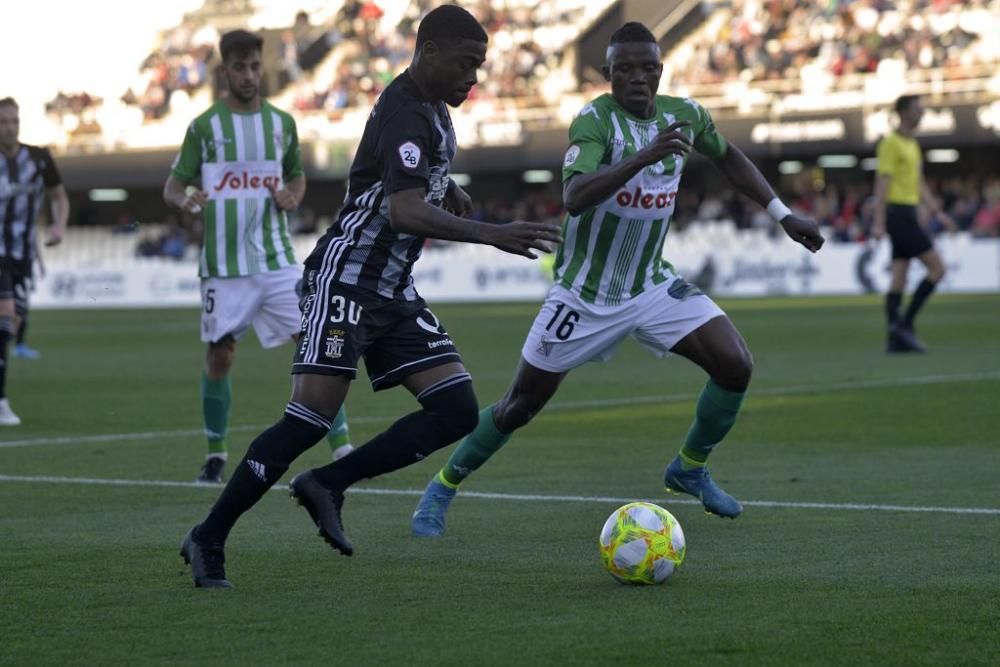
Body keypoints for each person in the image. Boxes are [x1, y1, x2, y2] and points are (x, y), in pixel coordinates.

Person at [179, 5, 562, 588]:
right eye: (466, 64)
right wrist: (493, 234)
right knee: (308, 420)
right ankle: (208, 537)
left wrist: (448, 188)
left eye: (479, 67)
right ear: (428, 51)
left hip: (391, 287)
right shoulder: (406, 109)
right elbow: (404, 209)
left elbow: (408, 179)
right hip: (347, 278)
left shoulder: (431, 109)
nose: (474, 78)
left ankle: (328, 483)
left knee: (457, 408)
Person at [410, 22, 825, 536]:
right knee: (520, 405)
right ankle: (442, 487)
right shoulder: (594, 123)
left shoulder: (686, 115)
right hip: (583, 295)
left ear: (660, 71)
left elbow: (728, 156)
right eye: (624, 69)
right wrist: (643, 156)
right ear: (607, 74)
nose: (636, 78)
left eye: (647, 68)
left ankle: (690, 467)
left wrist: (784, 214)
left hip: (651, 285)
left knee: (735, 364)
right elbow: (575, 195)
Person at [163, 30, 354, 484]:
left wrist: (292, 195)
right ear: (224, 70)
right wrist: (185, 198)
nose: (248, 76)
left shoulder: (280, 124)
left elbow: (297, 177)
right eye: (239, 67)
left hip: (276, 260)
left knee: (313, 346)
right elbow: (173, 185)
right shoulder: (205, 127)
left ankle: (343, 445)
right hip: (224, 267)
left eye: (254, 67)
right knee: (221, 356)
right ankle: (215, 453)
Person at [0, 97, 69, 425]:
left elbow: (59, 195)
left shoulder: (39, 158)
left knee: (11, 325)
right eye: (3, 122)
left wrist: (58, 224)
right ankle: (1, 402)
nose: (10, 127)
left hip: (23, 255)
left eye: (14, 121)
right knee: (5, 317)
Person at [872, 94, 956, 353]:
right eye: (918, 109)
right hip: (899, 214)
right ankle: (904, 326)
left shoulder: (912, 144)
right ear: (904, 112)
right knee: (937, 269)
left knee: (899, 276)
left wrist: (937, 212)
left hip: (908, 211)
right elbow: (882, 183)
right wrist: (878, 221)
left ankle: (894, 338)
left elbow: (918, 184)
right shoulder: (891, 143)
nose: (922, 113)